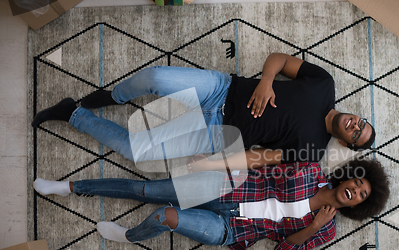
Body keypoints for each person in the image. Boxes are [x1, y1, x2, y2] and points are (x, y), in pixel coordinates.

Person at [31, 53, 375, 170]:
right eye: (362, 122)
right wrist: (267, 80)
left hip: (217, 133)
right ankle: (117, 97)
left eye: (357, 133)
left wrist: (213, 163)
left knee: (137, 150)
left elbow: (259, 159)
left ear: (347, 143)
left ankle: (73, 114)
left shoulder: (312, 151)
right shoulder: (324, 85)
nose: (356, 125)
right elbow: (280, 60)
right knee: (156, 77)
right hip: (223, 88)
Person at [33, 159, 389, 250]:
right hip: (224, 190)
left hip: (232, 230)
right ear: (347, 179)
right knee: (146, 190)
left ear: (358, 206)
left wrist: (311, 229)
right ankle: (70, 187)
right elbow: (264, 170)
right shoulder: (311, 172)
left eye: (360, 196)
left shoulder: (326, 231)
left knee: (165, 217)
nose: (354, 192)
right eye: (357, 184)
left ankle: (130, 236)